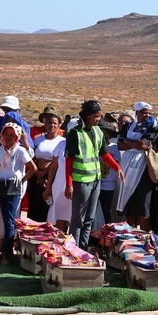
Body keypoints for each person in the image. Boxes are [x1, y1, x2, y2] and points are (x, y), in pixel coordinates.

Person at [65, 100, 123, 250]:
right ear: (88, 116)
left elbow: (104, 153)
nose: (99, 119)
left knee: (89, 219)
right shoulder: (75, 134)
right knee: (78, 220)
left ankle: (82, 249)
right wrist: (69, 184)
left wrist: (117, 168)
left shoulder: (97, 131)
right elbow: (69, 162)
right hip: (81, 182)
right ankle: (73, 251)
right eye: (97, 116)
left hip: (96, 181)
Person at [114, 102, 158, 230]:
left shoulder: (153, 127)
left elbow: (143, 145)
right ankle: (131, 234)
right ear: (137, 113)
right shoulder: (128, 126)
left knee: (142, 204)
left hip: (143, 167)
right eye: (144, 112)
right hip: (127, 165)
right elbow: (119, 145)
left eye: (149, 113)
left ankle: (144, 236)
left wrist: (126, 140)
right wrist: (133, 143)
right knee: (130, 203)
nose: (147, 115)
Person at [0, 122, 35, 264]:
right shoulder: (0, 150)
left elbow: (33, 168)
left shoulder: (20, 151)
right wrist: (1, 175)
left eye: (12, 135)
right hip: (2, 186)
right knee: (4, 217)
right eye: (6, 134)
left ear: (17, 136)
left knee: (9, 220)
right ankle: (7, 249)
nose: (8, 137)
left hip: (14, 186)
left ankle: (7, 252)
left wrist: (21, 180)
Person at [29, 106, 64, 223]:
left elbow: (57, 162)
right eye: (49, 123)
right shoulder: (38, 140)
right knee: (35, 206)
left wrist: (43, 173)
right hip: (36, 176)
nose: (52, 125)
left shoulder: (62, 142)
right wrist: (37, 173)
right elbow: (32, 157)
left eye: (54, 123)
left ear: (59, 125)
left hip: (52, 177)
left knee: (48, 208)